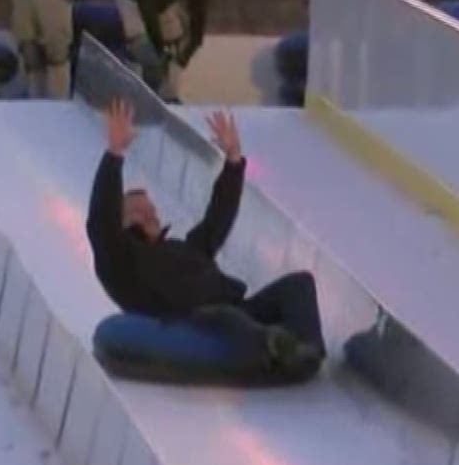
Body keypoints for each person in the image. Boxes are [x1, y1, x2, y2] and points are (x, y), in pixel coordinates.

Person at [86, 99, 324, 376]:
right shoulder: (121, 262)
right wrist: (114, 154)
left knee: (299, 284)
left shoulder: (183, 248)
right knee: (225, 317)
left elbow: (217, 220)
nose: (149, 213)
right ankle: (273, 346)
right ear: (121, 221)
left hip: (240, 308)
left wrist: (233, 162)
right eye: (138, 211)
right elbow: (101, 220)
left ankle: (307, 350)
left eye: (151, 209)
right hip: (199, 320)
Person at [114, 0, 210, 103]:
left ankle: (168, 94)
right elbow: (147, 7)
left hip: (162, 3)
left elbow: (199, 12)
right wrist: (157, 47)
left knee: (175, 42)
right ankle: (142, 79)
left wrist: (188, 51)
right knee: (144, 47)